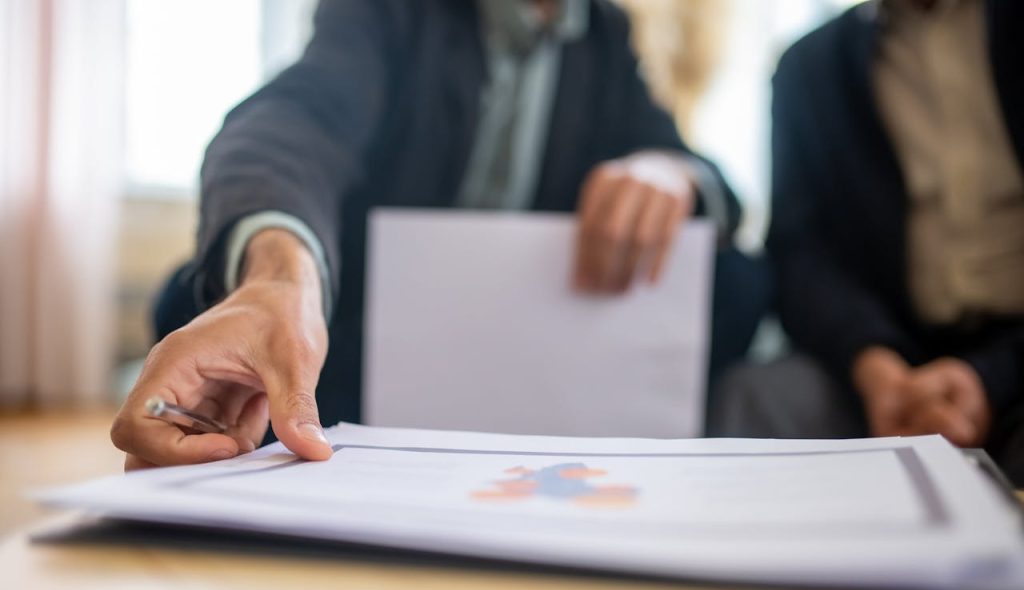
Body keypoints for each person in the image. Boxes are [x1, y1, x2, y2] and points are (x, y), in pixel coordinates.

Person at [113, 0, 768, 470]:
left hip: (531, 338)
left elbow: (702, 172)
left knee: (739, 281)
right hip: (370, 328)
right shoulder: (391, 13)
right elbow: (293, 125)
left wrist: (669, 170)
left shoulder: (603, 32)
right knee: (192, 299)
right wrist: (280, 277)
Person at [709, 0, 1024, 484]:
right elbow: (800, 254)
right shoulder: (807, 69)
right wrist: (872, 364)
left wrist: (993, 377)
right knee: (759, 396)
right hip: (888, 360)